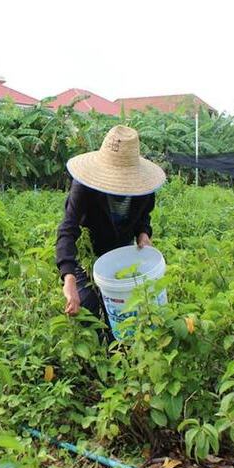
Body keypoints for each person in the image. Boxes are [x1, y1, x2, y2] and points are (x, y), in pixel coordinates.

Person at [55, 125, 166, 338]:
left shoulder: (144, 188)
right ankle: (97, 362)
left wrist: (143, 233)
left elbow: (144, 216)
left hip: (119, 253)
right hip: (87, 253)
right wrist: (69, 279)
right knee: (89, 305)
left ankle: (123, 354)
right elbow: (68, 229)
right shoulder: (84, 186)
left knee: (126, 308)